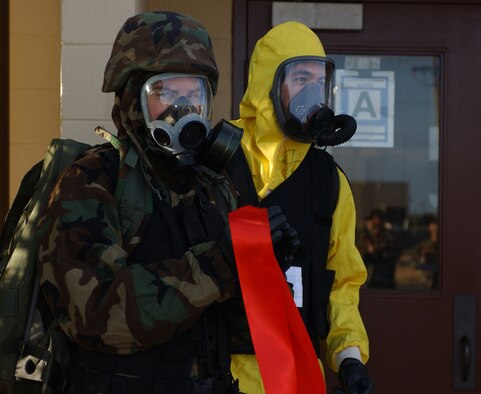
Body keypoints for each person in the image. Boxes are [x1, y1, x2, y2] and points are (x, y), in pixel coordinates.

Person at [36, 11, 298, 394]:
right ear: (130, 99)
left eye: (193, 95)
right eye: (166, 94)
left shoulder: (214, 187)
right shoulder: (92, 181)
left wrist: (263, 272)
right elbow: (94, 315)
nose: (183, 109)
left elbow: (245, 334)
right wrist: (219, 265)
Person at [225, 21, 373, 393]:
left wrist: (349, 357)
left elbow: (342, 282)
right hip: (219, 375)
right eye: (300, 77)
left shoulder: (328, 182)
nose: (313, 91)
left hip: (296, 376)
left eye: (319, 81)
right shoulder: (216, 160)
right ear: (268, 85)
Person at [358, 209, 398, 288]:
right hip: (367, 280)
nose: (373, 224)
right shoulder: (364, 237)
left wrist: (374, 249)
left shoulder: (388, 238)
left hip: (384, 280)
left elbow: (391, 254)